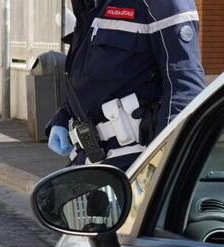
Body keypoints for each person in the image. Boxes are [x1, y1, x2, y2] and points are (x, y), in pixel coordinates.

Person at [46, 0, 206, 170]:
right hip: (88, 160)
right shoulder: (93, 4)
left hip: (135, 163)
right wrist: (64, 117)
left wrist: (163, 162)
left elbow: (184, 89)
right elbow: (92, 80)